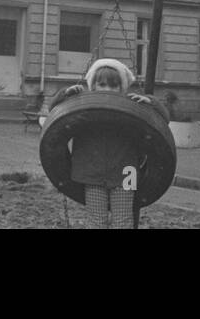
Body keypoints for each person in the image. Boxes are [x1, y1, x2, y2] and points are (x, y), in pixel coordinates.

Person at [49, 57, 170, 229]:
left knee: (123, 221)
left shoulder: (132, 108)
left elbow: (164, 120)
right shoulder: (83, 108)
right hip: (92, 173)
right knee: (96, 222)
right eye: (102, 84)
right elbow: (53, 113)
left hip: (127, 173)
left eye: (114, 86)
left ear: (122, 88)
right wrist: (65, 95)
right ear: (93, 86)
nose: (108, 90)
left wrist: (150, 103)